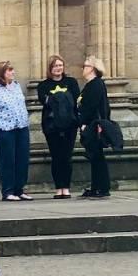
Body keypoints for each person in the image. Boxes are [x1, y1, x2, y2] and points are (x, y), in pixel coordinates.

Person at [0, 61, 33, 202]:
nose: (13, 72)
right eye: (9, 70)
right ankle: (8, 191)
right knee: (7, 160)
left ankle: (19, 189)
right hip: (5, 130)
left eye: (12, 69)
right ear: (1, 73)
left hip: (21, 127)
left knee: (22, 159)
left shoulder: (16, 86)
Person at [36, 55, 80, 199]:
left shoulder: (71, 82)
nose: (58, 68)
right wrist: (62, 98)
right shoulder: (43, 85)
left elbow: (75, 100)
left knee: (67, 156)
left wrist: (55, 99)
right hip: (52, 125)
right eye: (55, 66)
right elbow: (45, 101)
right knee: (56, 156)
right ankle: (58, 187)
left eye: (60, 65)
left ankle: (66, 187)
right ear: (50, 68)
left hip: (70, 124)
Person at [78, 55, 112, 199]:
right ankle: (97, 186)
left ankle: (101, 187)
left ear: (92, 68)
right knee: (95, 157)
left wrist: (85, 123)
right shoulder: (93, 84)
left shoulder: (96, 84)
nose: (83, 69)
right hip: (93, 125)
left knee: (97, 157)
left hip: (93, 125)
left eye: (85, 66)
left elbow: (91, 107)